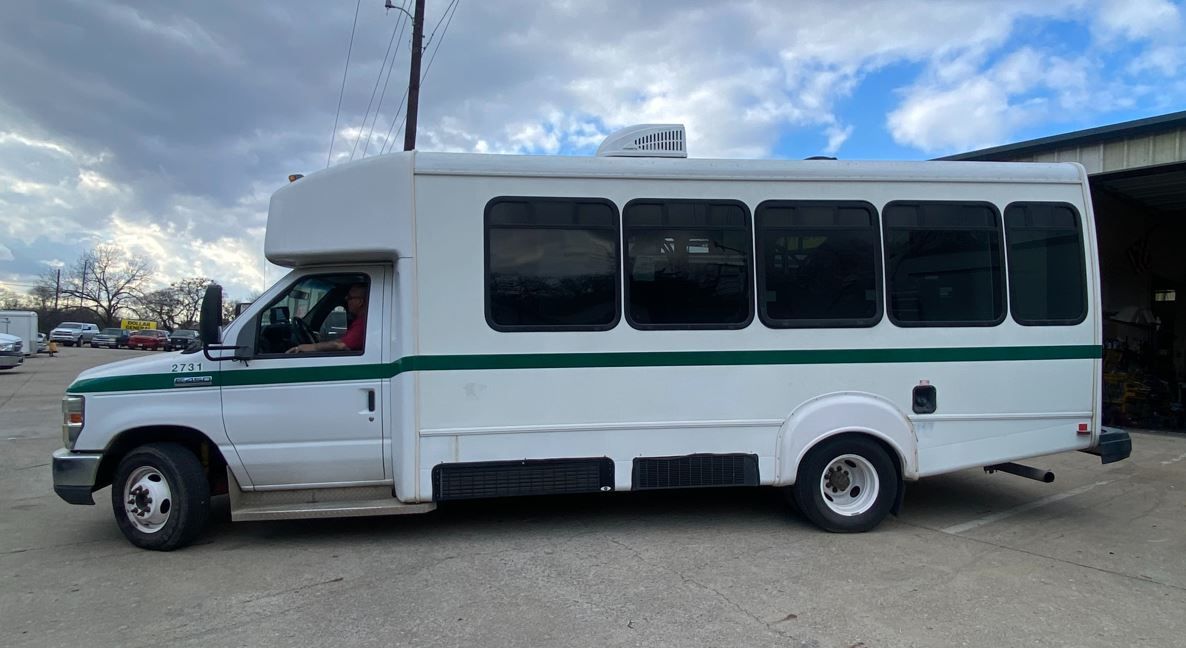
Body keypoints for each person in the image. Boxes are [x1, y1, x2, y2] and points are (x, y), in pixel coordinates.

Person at [286, 283, 367, 353]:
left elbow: (341, 345)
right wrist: (321, 342)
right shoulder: (361, 321)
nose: (346, 299)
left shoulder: (362, 324)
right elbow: (342, 341)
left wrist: (307, 347)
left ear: (359, 302)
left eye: (349, 297)